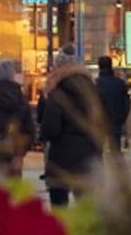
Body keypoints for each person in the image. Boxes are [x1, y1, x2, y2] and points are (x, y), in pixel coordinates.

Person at [36, 57, 110, 206]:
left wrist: (44, 136)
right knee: (87, 206)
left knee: (59, 205)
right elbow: (106, 123)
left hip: (61, 158)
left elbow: (51, 129)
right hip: (90, 157)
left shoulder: (57, 95)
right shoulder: (96, 95)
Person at [94, 53, 131, 150]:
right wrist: (122, 118)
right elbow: (126, 103)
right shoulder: (119, 83)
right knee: (115, 151)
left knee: (98, 151)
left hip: (100, 123)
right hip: (116, 122)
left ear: (99, 67)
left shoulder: (96, 84)